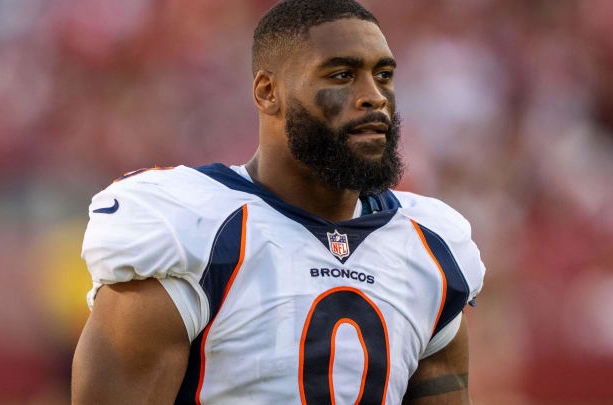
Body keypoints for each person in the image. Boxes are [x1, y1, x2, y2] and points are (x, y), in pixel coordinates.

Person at [71, 0, 486, 404]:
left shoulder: (430, 247)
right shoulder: (191, 229)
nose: (373, 96)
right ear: (268, 92)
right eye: (342, 75)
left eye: (384, 75)